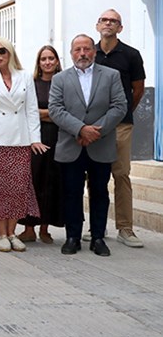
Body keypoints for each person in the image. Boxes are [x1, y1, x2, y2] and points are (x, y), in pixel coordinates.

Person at [49, 34, 127, 257]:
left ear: (94, 51)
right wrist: (81, 129)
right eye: (77, 50)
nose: (82, 54)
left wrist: (95, 132)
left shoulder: (111, 75)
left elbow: (119, 106)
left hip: (100, 145)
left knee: (100, 193)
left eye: (86, 49)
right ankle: (72, 237)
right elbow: (55, 109)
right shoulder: (60, 79)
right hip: (71, 145)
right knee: (71, 193)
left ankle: (98, 238)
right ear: (71, 53)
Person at [0, 37, 48, 253]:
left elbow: (31, 109)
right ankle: (1, 233)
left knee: (18, 188)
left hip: (20, 140)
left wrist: (35, 138)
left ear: (10, 53)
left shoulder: (25, 76)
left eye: (2, 51)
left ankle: (12, 232)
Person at [94, 8, 146, 247]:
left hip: (121, 124)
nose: (108, 23)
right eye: (104, 20)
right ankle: (98, 227)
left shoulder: (131, 55)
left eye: (113, 21)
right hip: (94, 125)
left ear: (120, 28)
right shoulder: (89, 53)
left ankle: (125, 228)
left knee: (121, 174)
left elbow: (138, 89)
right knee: (96, 175)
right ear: (97, 25)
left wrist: (123, 112)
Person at [17, 46, 64, 243]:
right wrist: (52, 113)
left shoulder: (63, 83)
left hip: (58, 138)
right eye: (43, 59)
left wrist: (42, 113)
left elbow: (66, 112)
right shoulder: (32, 84)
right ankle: (29, 229)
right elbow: (26, 111)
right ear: (38, 62)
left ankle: (45, 229)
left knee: (52, 181)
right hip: (34, 139)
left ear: (57, 61)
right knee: (33, 181)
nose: (47, 62)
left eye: (51, 58)